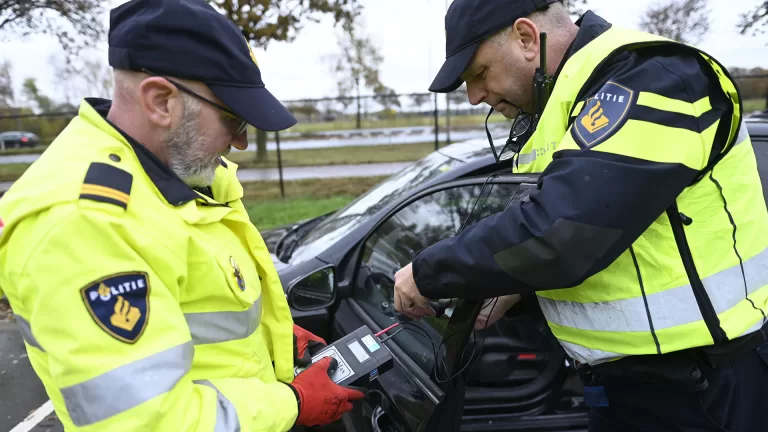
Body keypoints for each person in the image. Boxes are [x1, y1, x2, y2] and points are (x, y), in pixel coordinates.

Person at [394, 0, 768, 431]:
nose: (475, 96)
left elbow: (565, 232)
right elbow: (622, 237)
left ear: (526, 38)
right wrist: (516, 287)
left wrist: (427, 271)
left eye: (478, 74)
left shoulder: (653, 78)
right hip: (625, 388)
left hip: (701, 390)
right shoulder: (565, 102)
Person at [0, 0, 363, 430]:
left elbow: (199, 314)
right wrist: (294, 403)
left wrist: (273, 340)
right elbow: (149, 421)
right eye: (233, 119)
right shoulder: (83, 222)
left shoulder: (170, 179)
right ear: (160, 102)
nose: (241, 142)